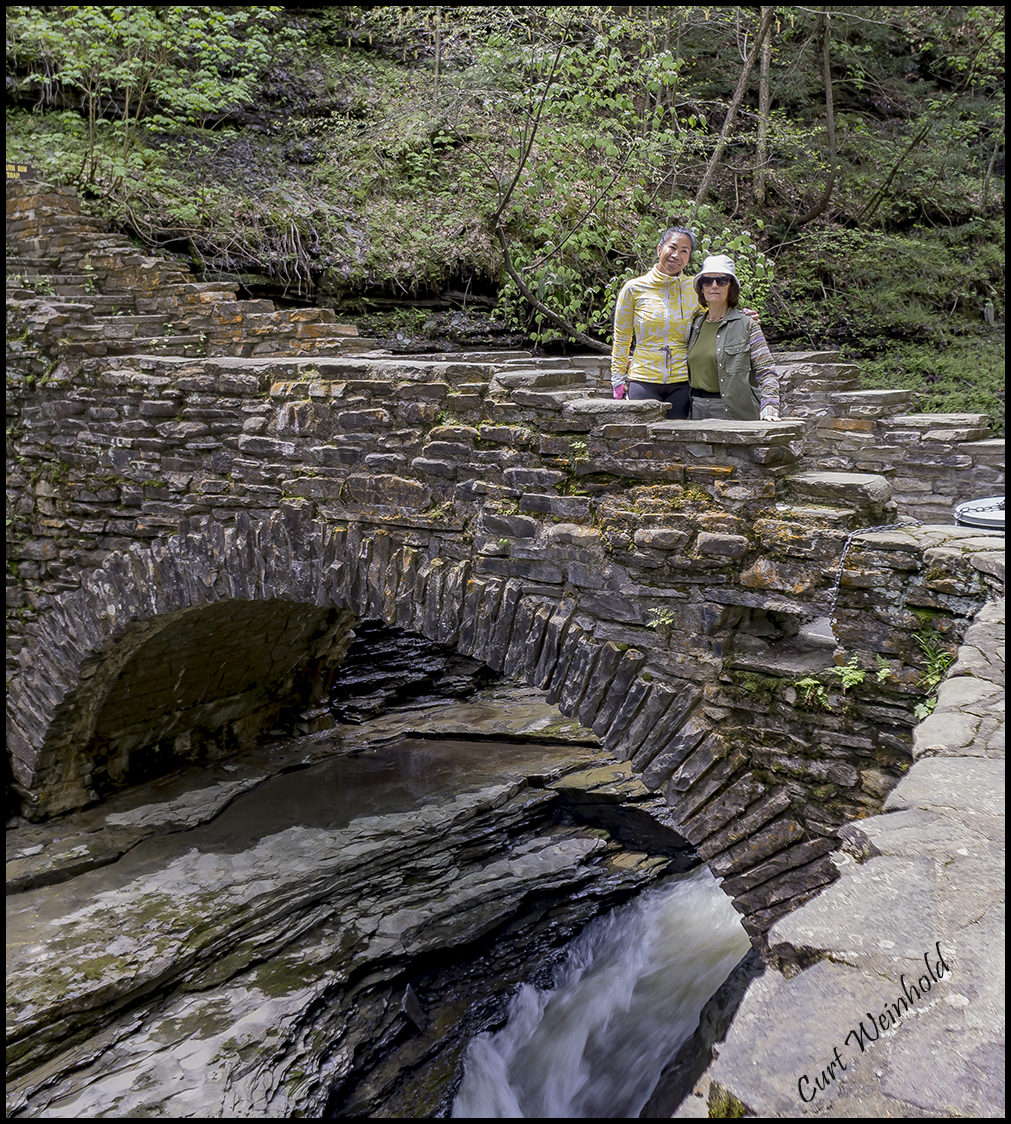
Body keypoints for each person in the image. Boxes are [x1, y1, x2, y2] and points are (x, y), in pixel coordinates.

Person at [685, 254, 780, 421]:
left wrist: (770, 406)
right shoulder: (694, 325)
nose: (714, 285)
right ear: (701, 287)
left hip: (734, 412)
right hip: (695, 409)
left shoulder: (747, 325)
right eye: (707, 280)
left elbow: (766, 371)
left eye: (721, 280)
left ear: (731, 287)